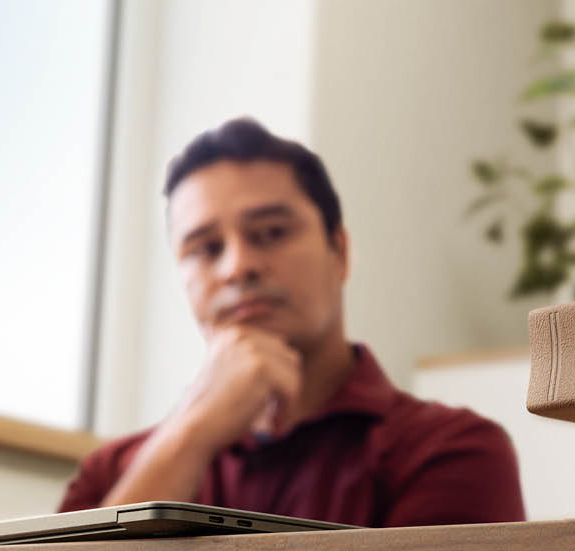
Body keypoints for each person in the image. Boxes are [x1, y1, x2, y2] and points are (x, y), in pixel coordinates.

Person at [59, 118, 525, 527]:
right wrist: (191, 436)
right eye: (205, 248)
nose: (237, 267)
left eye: (271, 233)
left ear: (339, 252)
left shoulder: (449, 451)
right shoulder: (108, 472)